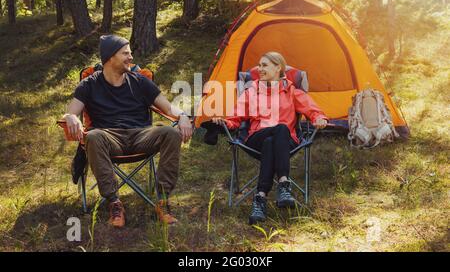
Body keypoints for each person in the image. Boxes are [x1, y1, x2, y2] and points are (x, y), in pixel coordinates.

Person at [62, 35, 193, 228]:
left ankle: (163, 202)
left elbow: (166, 106)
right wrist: (71, 117)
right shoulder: (89, 84)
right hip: (108, 137)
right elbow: (71, 112)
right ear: (110, 57)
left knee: (170, 133)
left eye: (130, 53)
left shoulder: (139, 81)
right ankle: (114, 203)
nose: (131, 57)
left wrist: (182, 115)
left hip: (141, 135)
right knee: (94, 136)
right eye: (125, 53)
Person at [212, 52, 328, 224]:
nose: (260, 69)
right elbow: (235, 118)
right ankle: (283, 184)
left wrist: (319, 119)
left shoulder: (291, 91)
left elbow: (314, 110)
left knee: (273, 139)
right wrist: (225, 122)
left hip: (285, 141)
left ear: (278, 67)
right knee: (278, 129)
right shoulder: (251, 92)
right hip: (255, 138)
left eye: (264, 65)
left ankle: (260, 199)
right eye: (259, 65)